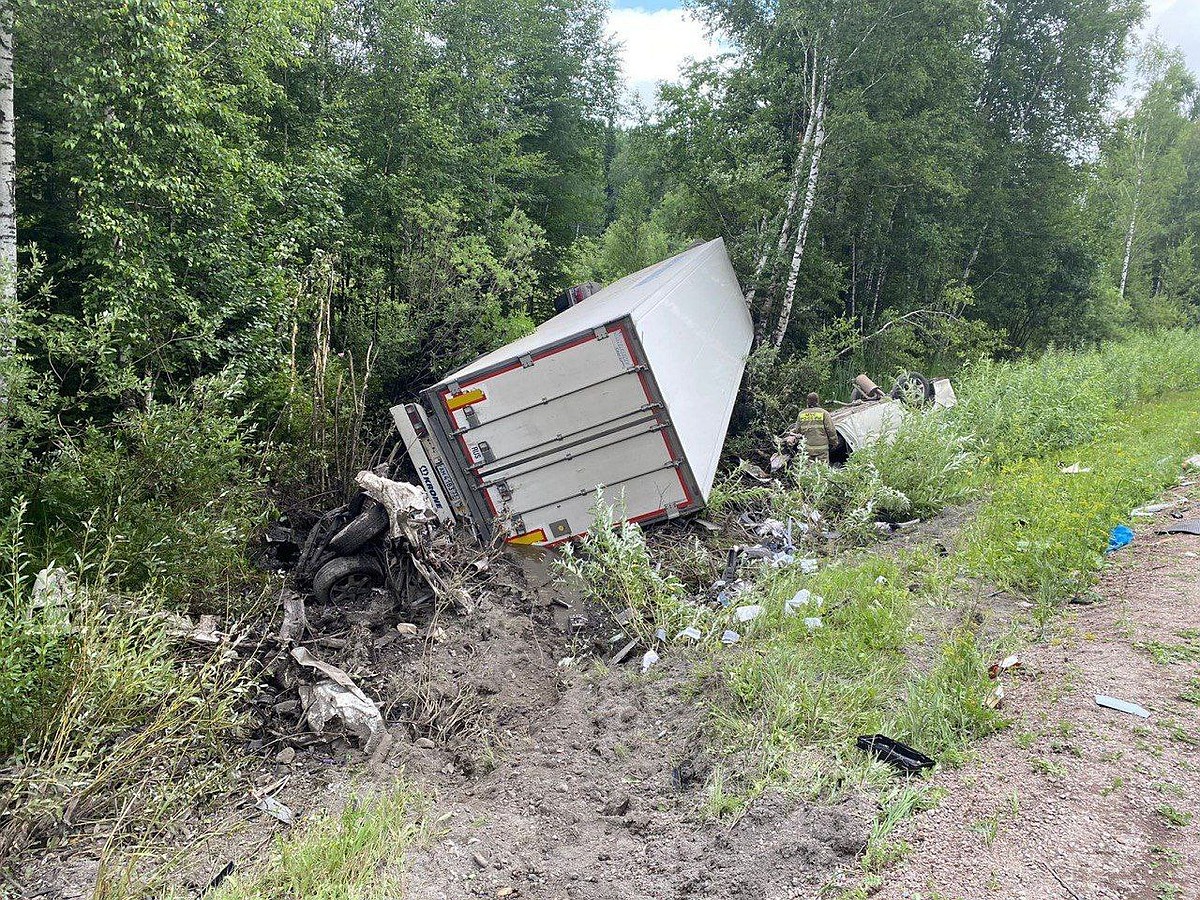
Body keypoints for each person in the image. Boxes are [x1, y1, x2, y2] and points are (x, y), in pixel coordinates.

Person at [791, 392, 839, 464]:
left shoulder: (802, 414)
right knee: (822, 470)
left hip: (807, 449)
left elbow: (798, 430)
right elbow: (831, 430)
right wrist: (834, 442)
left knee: (808, 471)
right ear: (817, 401)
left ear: (807, 401)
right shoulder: (824, 413)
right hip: (822, 449)